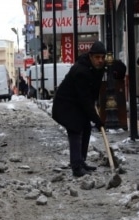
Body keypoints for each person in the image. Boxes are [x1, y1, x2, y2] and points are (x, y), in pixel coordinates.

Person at [51, 41, 107, 177]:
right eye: (97, 57)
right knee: (75, 128)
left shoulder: (96, 68)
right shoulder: (81, 71)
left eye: (102, 57)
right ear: (90, 56)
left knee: (86, 128)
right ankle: (76, 167)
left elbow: (91, 93)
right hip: (66, 104)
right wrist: (97, 119)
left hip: (77, 102)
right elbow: (85, 100)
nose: (100, 60)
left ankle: (81, 161)